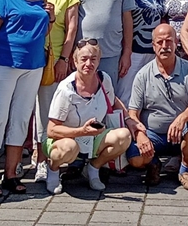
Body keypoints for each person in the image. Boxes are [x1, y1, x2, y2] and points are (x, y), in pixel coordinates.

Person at [0, 0, 52, 196]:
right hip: (4, 64)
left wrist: (51, 18)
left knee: (21, 119)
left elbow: (42, 32)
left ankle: (11, 174)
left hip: (33, 67)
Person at [45, 37, 135, 194]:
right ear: (75, 62)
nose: (88, 63)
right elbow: (51, 130)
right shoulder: (66, 89)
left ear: (99, 61)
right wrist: (82, 131)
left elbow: (113, 100)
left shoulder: (104, 79)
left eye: (93, 59)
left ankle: (93, 168)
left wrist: (129, 119)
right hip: (66, 139)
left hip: (93, 137)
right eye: (84, 59)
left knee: (124, 136)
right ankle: (52, 170)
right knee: (69, 148)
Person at [126, 24, 188, 190]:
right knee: (134, 158)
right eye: (159, 42)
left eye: (169, 41)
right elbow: (132, 113)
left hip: (181, 133)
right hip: (153, 134)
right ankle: (153, 164)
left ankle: (185, 170)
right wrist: (140, 135)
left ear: (176, 42)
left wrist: (181, 119)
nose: (164, 46)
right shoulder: (142, 74)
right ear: (153, 45)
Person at [35, 0, 79, 182]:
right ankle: (24, 157)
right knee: (23, 111)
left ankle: (44, 160)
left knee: (46, 112)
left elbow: (71, 30)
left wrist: (64, 59)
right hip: (29, 59)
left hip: (53, 60)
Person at [119, 0, 163, 100]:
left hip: (151, 51)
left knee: (145, 94)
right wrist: (127, 53)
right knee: (126, 94)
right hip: (133, 51)